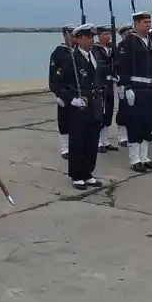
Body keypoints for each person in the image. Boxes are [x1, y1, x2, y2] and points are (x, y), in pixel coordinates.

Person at [51, 24, 105, 190]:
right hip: (79, 105)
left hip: (94, 104)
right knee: (78, 141)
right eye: (88, 37)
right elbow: (57, 83)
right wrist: (70, 99)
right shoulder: (71, 59)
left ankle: (88, 173)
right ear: (79, 38)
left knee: (92, 141)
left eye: (92, 37)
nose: (91, 41)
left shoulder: (94, 56)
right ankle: (76, 175)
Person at [116, 11, 152, 172]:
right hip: (136, 86)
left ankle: (145, 157)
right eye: (145, 22)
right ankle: (135, 159)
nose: (148, 25)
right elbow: (122, 66)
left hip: (151, 87)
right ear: (136, 24)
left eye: (149, 22)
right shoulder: (129, 42)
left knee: (148, 122)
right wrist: (126, 87)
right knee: (135, 123)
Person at [91, 25, 119, 153]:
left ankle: (105, 141)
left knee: (108, 112)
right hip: (100, 83)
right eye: (105, 33)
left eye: (109, 33)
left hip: (109, 83)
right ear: (99, 35)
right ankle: (97, 142)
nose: (108, 36)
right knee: (99, 113)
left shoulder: (110, 49)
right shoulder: (95, 49)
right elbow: (99, 66)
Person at [49, 26, 75, 159]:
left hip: (76, 92)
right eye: (70, 35)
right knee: (64, 121)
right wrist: (58, 94)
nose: (72, 37)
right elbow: (53, 76)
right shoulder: (58, 53)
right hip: (64, 92)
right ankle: (65, 148)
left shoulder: (77, 52)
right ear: (65, 36)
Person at [114, 24, 133, 148]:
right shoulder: (120, 48)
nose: (129, 35)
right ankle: (122, 136)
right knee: (124, 110)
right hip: (124, 83)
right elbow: (117, 67)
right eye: (127, 34)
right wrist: (120, 84)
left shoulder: (136, 45)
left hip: (136, 82)